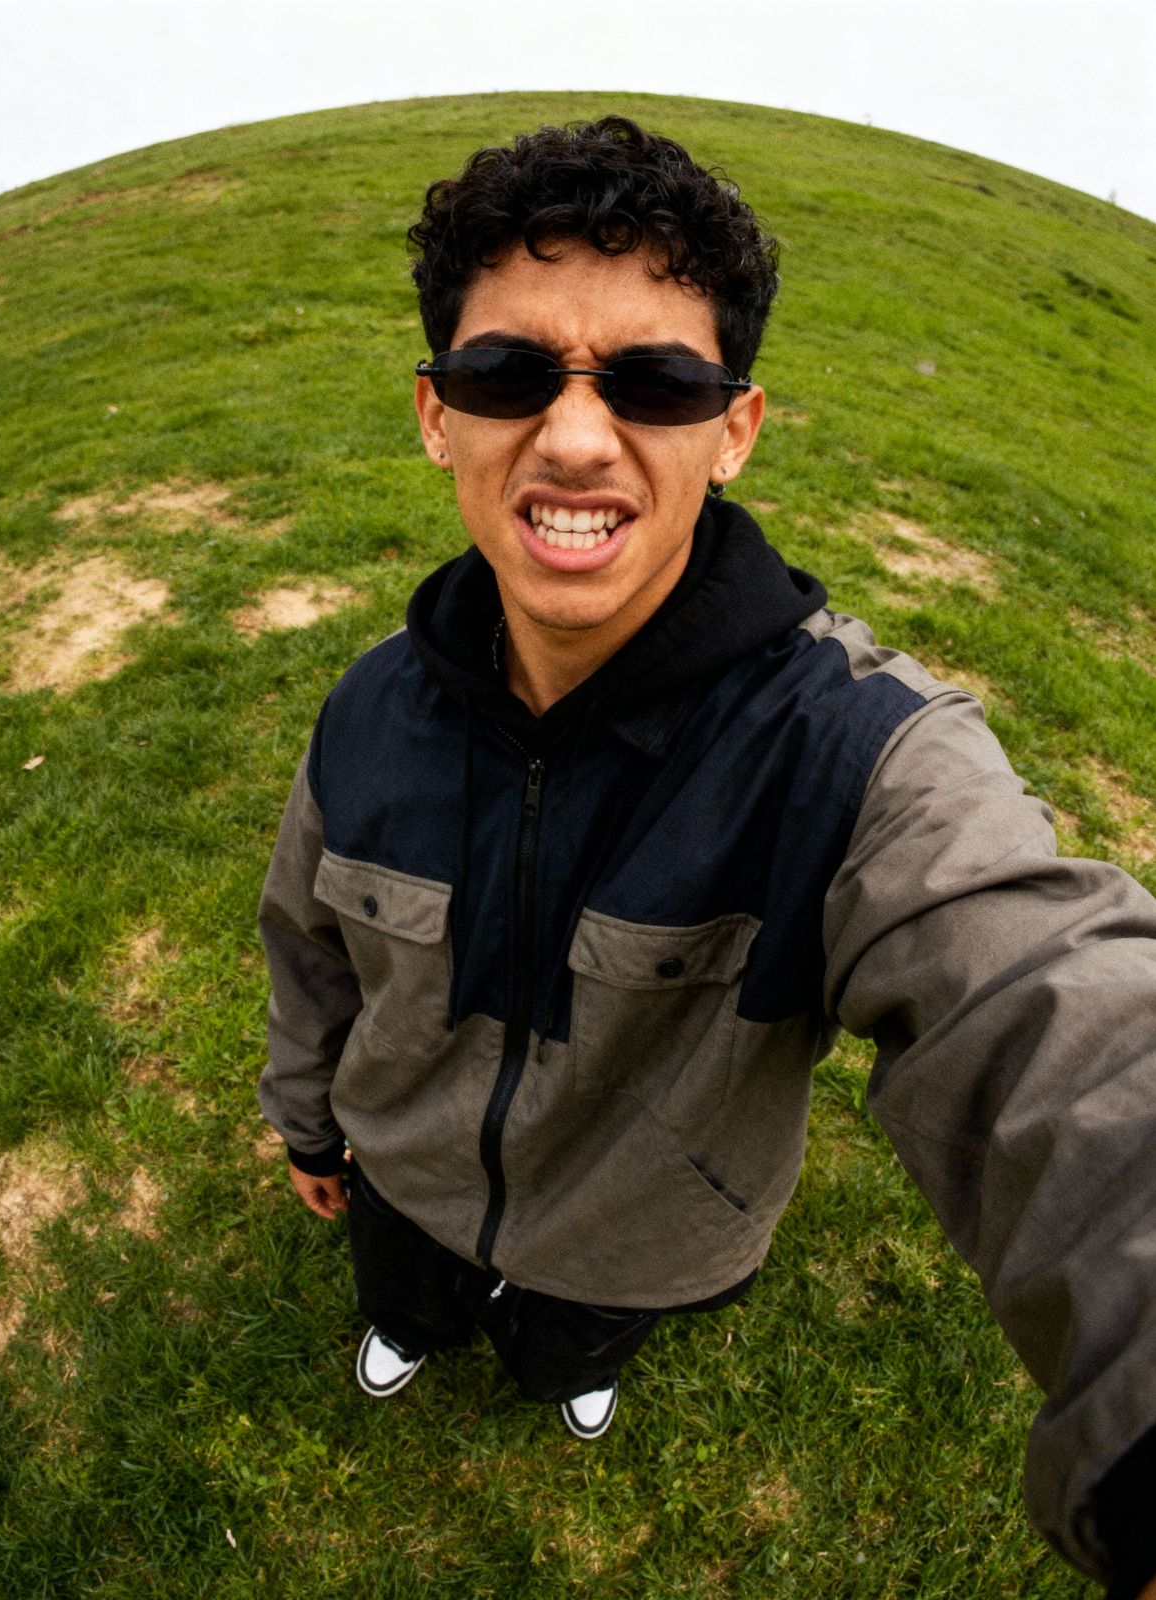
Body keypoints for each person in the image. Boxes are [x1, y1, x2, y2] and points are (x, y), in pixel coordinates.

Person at [257, 117, 1156, 1596]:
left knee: (574, 1343)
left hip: (642, 1244)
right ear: (436, 414)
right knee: (409, 1297)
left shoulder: (863, 754)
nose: (574, 436)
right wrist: (308, 1122)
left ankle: (570, 1369)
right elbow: (305, 943)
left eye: (657, 382)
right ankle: (410, 1329)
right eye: (508, 374)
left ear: (734, 427)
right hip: (404, 1181)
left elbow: (1055, 1003)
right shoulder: (365, 710)